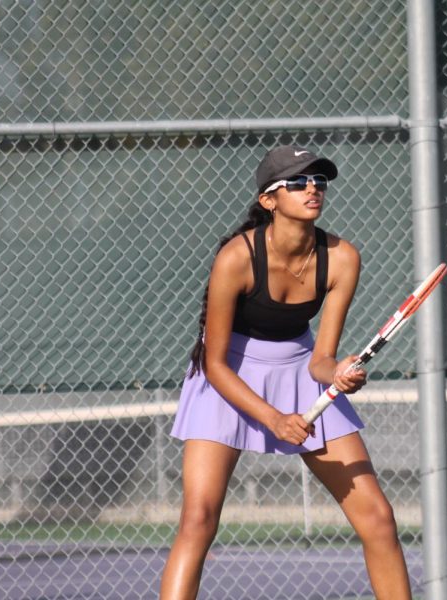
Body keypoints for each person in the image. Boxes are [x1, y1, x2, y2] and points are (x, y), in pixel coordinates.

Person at [159, 146, 412, 599]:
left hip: (298, 367)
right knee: (198, 519)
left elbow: (321, 360)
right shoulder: (236, 258)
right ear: (269, 201)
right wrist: (275, 418)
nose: (312, 188)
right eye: (297, 182)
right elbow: (214, 363)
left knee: (377, 518)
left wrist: (342, 370)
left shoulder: (342, 258)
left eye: (318, 180)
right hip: (228, 374)